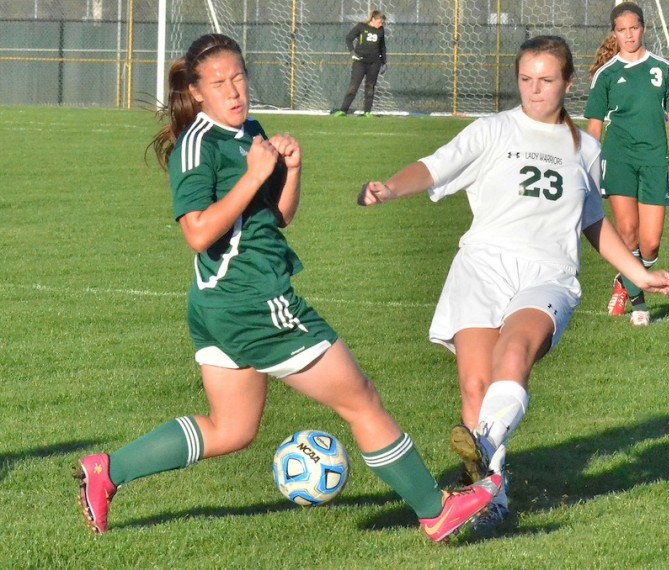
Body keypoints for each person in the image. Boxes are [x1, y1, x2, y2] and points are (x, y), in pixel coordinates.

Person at [75, 33, 500, 543]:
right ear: (198, 91)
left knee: (232, 429)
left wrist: (290, 170)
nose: (234, 91)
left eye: (239, 78)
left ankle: (107, 471)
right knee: (361, 398)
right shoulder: (198, 143)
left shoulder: (248, 131)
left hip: (224, 305)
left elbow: (278, 217)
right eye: (219, 83)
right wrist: (254, 176)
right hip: (253, 301)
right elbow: (197, 232)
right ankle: (435, 511)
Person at [356, 36, 669, 532]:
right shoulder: (492, 130)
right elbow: (433, 167)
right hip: (482, 268)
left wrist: (638, 273)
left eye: (547, 80)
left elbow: (592, 221)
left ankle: (484, 449)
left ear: (568, 83)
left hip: (547, 275)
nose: (535, 90)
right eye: (526, 80)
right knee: (475, 386)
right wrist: (389, 187)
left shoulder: (586, 148)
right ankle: (495, 500)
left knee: (512, 355)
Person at [584, 1, 669, 326]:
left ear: (644, 29)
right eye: (622, 30)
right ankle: (639, 304)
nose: (629, 34)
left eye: (634, 28)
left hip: (654, 161)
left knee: (650, 241)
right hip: (618, 159)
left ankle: (625, 278)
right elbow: (593, 128)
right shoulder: (606, 76)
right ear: (614, 34)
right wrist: (588, 168)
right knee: (628, 233)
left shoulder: (662, 69)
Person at [332, 10, 387, 117]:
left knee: (370, 87)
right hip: (360, 62)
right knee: (353, 86)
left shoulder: (381, 30)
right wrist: (353, 52)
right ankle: (343, 110)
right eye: (380, 22)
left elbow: (382, 47)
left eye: (382, 23)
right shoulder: (361, 27)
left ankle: (367, 112)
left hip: (374, 63)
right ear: (373, 19)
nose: (381, 24)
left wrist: (384, 62)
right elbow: (348, 39)